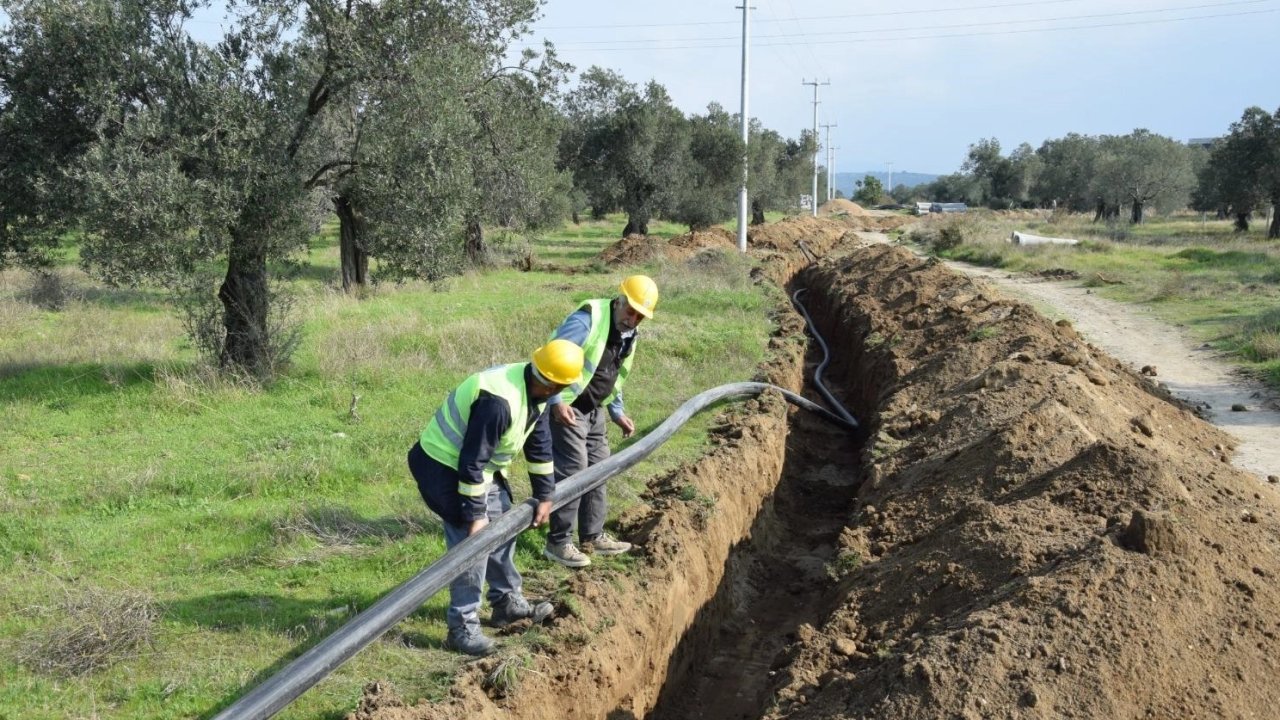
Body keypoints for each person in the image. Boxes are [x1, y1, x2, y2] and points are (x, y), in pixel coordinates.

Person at [409, 339, 585, 656]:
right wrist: (475, 515)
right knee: (472, 545)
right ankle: (462, 627)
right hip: (443, 465)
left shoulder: (538, 390)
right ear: (553, 383)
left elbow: (539, 441)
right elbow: (470, 463)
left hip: (477, 467)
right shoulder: (499, 402)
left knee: (503, 525)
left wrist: (545, 494)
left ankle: (506, 603)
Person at [542, 275, 659, 569]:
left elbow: (614, 374)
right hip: (568, 407)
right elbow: (552, 358)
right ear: (619, 300)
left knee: (600, 466)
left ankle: (592, 537)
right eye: (630, 311)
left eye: (640, 316)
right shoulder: (587, 320)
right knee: (574, 469)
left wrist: (617, 412)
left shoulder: (630, 334)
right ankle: (558, 542)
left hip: (594, 409)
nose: (633, 320)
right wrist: (556, 402)